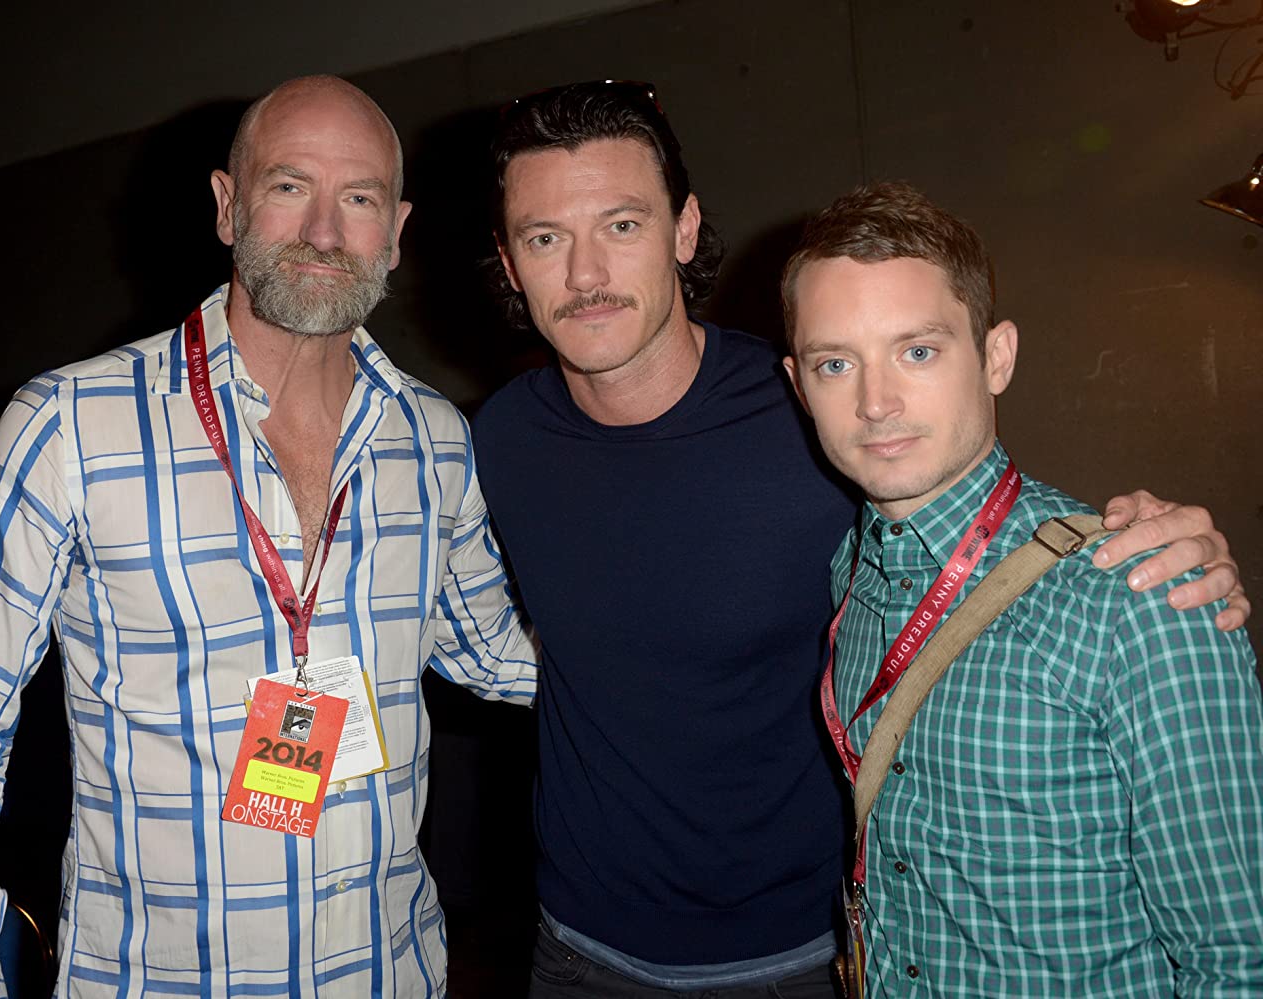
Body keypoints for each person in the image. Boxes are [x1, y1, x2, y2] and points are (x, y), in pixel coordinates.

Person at [470, 81, 1250, 998]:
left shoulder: (812, 415)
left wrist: (1157, 548)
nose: (586, 273)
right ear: (509, 263)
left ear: (683, 230)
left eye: (622, 224)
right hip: (579, 949)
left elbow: (974, 505)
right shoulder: (497, 440)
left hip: (802, 956)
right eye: (545, 238)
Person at [0, 75, 536, 998]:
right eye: (289, 186)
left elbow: (496, 653)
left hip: (391, 971)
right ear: (228, 206)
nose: (324, 231)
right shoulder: (70, 425)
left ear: (395, 230)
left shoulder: (433, 438)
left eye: (359, 198)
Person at [781, 180, 1263, 995]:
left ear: (996, 356)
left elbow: (1240, 959)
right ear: (800, 386)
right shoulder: (852, 570)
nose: (875, 402)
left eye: (918, 351)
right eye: (836, 364)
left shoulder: (1139, 594)